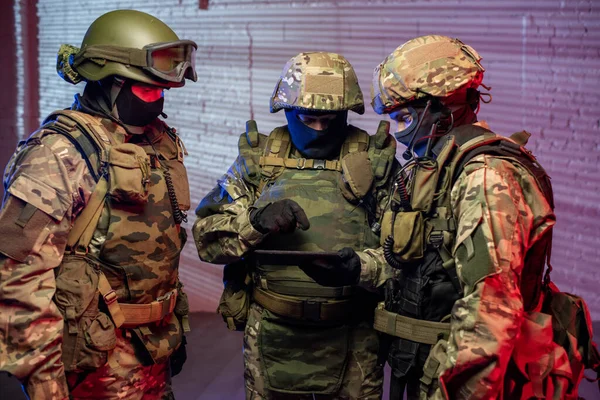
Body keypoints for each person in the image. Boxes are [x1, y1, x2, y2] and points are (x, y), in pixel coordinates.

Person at [300, 35, 592, 399]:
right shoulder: (436, 171)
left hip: (479, 382)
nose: (402, 134)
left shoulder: (486, 178)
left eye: (406, 117)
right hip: (427, 366)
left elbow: (491, 313)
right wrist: (359, 267)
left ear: (445, 109)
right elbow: (425, 263)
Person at [0, 9, 196, 400]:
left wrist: (172, 328)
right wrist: (43, 381)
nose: (158, 100)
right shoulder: (58, 153)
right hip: (92, 368)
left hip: (151, 351)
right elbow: (18, 278)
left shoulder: (153, 141)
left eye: (163, 91)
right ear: (108, 80)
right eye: (147, 90)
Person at [193, 52, 398, 399]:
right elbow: (206, 241)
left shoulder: (373, 164)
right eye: (308, 118)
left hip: (353, 338)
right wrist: (254, 222)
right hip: (272, 333)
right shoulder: (258, 161)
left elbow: (405, 258)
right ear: (287, 110)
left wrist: (359, 268)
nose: (319, 130)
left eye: (330, 120)